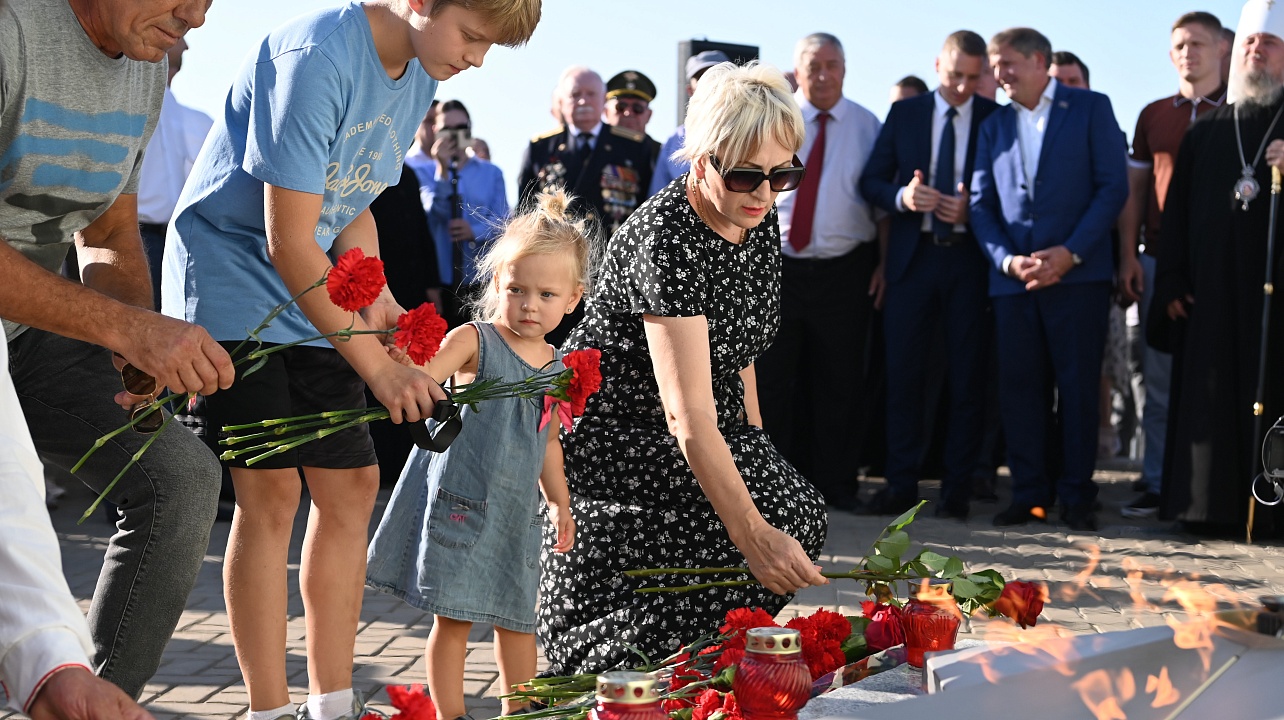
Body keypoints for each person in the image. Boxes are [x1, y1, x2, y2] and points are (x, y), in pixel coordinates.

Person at [160, 2, 541, 718]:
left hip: (312, 296)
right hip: (237, 291)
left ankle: (330, 704)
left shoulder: (422, 68)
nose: (476, 59)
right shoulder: (317, 60)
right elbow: (289, 241)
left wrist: (379, 298)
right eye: (472, 36)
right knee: (271, 497)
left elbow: (350, 202)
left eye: (489, 47)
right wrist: (381, 368)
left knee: (353, 486)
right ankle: (270, 709)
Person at [538, 60, 829, 676]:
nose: (764, 192)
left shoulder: (756, 215)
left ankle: (698, 666)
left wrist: (757, 447)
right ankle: (624, 664)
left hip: (698, 417)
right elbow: (686, 415)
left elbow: (741, 349)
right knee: (764, 525)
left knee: (796, 511)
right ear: (700, 161)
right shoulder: (665, 237)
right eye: (745, 174)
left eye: (783, 174)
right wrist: (753, 534)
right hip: (618, 431)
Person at [0, 0, 237, 698]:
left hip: (32, 326)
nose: (195, 16)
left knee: (180, 478)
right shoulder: (13, 28)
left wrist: (138, 342)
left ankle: (100, 703)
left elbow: (107, 230)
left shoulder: (144, 62)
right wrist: (127, 328)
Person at [367, 189, 584, 719]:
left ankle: (518, 710)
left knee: (518, 620)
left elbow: (547, 442)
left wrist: (560, 501)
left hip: (516, 514)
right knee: (454, 617)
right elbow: (425, 379)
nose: (530, 305)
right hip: (463, 503)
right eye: (517, 289)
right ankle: (451, 714)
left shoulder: (559, 367)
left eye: (547, 295)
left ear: (573, 299)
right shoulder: (475, 340)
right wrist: (405, 360)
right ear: (496, 284)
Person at [970, 27, 1129, 531]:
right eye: (995, 65)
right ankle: (1030, 496)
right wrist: (1006, 261)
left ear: (1039, 61)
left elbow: (1112, 188)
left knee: (1078, 390)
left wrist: (1071, 254)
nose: (1000, 74)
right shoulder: (994, 124)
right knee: (1020, 391)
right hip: (1014, 283)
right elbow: (980, 204)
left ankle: (1077, 496)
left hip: (1078, 280)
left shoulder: (1091, 108)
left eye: (1008, 64)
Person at [1151, 0, 1284, 537]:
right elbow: (1176, 218)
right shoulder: (1204, 133)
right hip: (1209, 295)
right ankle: (1206, 508)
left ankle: (1272, 511)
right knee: (1208, 398)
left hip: (1275, 302)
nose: (1256, 50)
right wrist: (1171, 281)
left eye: (1269, 43)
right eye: (1250, 42)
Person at [859, 30, 998, 521]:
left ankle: (957, 490)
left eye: (973, 78)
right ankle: (900, 486)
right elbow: (870, 181)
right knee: (904, 376)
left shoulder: (995, 117)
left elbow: (1009, 192)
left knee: (967, 379)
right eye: (955, 74)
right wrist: (904, 197)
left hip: (969, 262)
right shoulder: (906, 113)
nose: (962, 86)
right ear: (938, 65)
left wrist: (972, 211)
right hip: (912, 261)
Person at [755, 32, 883, 513]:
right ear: (797, 71)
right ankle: (770, 486)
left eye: (832, 65)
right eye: (814, 66)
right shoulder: (776, 122)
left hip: (845, 270)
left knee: (839, 381)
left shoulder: (869, 126)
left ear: (845, 69)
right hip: (779, 267)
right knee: (771, 379)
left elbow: (882, 204)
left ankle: (836, 484)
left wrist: (886, 265)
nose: (824, 75)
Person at [0, 347, 152, 720]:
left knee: (182, 477)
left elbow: (7, 475)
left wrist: (54, 662)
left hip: (49, 343)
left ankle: (98, 694)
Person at [1118, 11, 1228, 519]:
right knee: (1158, 383)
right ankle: (1159, 482)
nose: (1189, 53)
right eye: (1180, 45)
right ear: (1169, 54)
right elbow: (1136, 191)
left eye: (1198, 43)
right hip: (1159, 262)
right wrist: (1129, 255)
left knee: (1217, 381)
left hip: (1223, 268)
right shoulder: (1154, 114)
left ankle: (1214, 486)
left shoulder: (1243, 113)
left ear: (1223, 49)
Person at [517, 66, 652, 345]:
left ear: (603, 100)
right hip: (555, 273)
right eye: (575, 94)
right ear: (561, 101)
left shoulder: (636, 148)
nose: (582, 101)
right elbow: (525, 215)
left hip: (614, 271)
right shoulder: (541, 148)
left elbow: (646, 212)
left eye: (590, 94)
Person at [137, 35, 214, 313]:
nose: (187, 45)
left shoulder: (192, 120)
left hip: (170, 242)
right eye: (181, 35)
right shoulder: (130, 104)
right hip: (128, 236)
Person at [424, 100, 510, 328]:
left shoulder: (491, 173)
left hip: (480, 278)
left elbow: (503, 222)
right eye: (447, 129)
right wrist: (442, 170)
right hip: (440, 280)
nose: (454, 136)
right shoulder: (423, 171)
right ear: (436, 130)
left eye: (461, 128)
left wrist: (474, 231)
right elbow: (431, 215)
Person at [649, 50, 730, 196]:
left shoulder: (754, 130)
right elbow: (657, 198)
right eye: (701, 77)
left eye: (716, 74)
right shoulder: (674, 140)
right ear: (689, 90)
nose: (709, 81)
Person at [604, 70, 662, 170]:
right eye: (621, 107)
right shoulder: (592, 147)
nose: (628, 112)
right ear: (606, 112)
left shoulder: (661, 154)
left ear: (649, 115)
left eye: (637, 108)